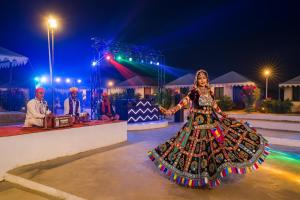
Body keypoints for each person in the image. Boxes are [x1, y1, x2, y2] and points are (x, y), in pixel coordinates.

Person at [148, 69, 269, 188]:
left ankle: (212, 174)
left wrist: (222, 114)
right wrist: (172, 110)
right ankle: (198, 176)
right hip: (197, 126)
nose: (202, 80)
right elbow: (183, 102)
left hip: (211, 123)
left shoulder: (210, 91)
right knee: (195, 150)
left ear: (207, 79)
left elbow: (214, 105)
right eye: (199, 78)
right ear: (197, 80)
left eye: (204, 78)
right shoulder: (194, 92)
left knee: (216, 148)